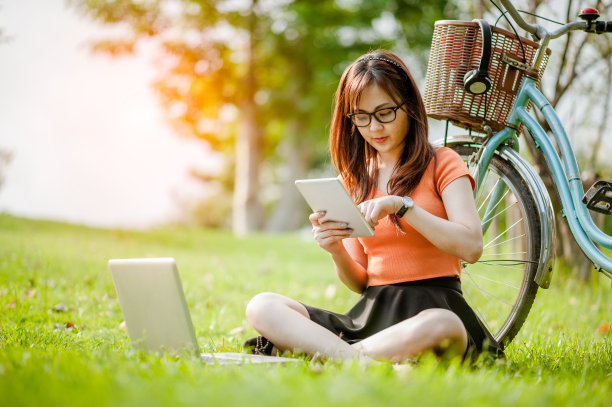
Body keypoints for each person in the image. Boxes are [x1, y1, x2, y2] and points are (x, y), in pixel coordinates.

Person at [244, 49, 502, 363]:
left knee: (443, 325)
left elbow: (472, 246)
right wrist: (336, 250)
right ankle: (357, 359)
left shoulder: (443, 162)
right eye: (361, 117)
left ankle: (333, 357)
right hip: (373, 317)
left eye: (385, 113)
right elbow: (360, 281)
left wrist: (403, 207)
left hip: (434, 309)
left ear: (408, 105)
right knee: (262, 305)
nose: (374, 128)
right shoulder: (355, 180)